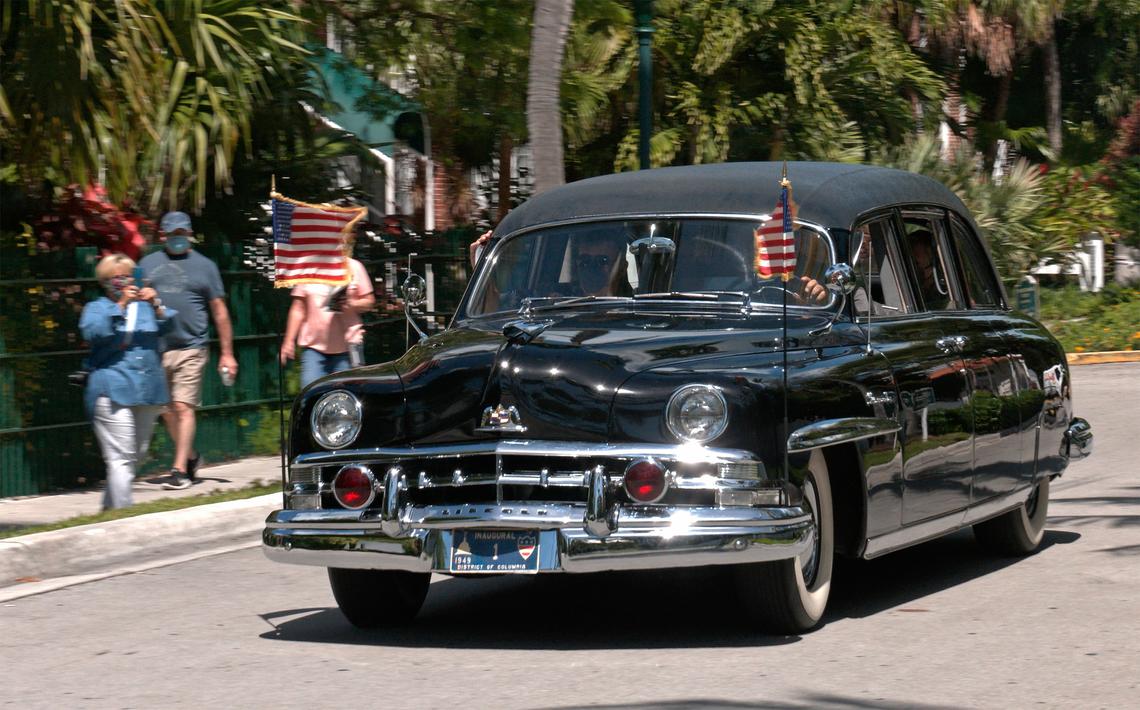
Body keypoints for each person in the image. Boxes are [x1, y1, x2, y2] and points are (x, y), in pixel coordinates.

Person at [140, 211, 237, 490]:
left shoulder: (205, 266)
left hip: (192, 346)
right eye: (173, 234)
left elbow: (219, 312)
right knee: (164, 409)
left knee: (183, 407)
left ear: (190, 234)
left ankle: (179, 470)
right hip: (157, 349)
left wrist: (228, 353)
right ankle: (192, 457)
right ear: (163, 236)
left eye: (182, 233)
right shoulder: (147, 264)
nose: (178, 238)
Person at [80, 254, 175, 510]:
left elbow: (171, 327)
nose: (123, 281)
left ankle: (108, 512)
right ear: (104, 282)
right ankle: (124, 513)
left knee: (136, 454)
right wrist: (121, 304)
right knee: (120, 456)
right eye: (116, 277)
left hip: (147, 389)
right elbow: (93, 332)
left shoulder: (144, 308)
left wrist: (156, 303)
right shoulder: (97, 307)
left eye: (128, 276)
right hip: (112, 389)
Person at [279, 257, 375, 388]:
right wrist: (288, 341)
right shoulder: (308, 268)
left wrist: (352, 303)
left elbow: (369, 302)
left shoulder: (354, 266)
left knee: (346, 396)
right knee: (311, 394)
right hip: (314, 348)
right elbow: (298, 309)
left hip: (348, 348)